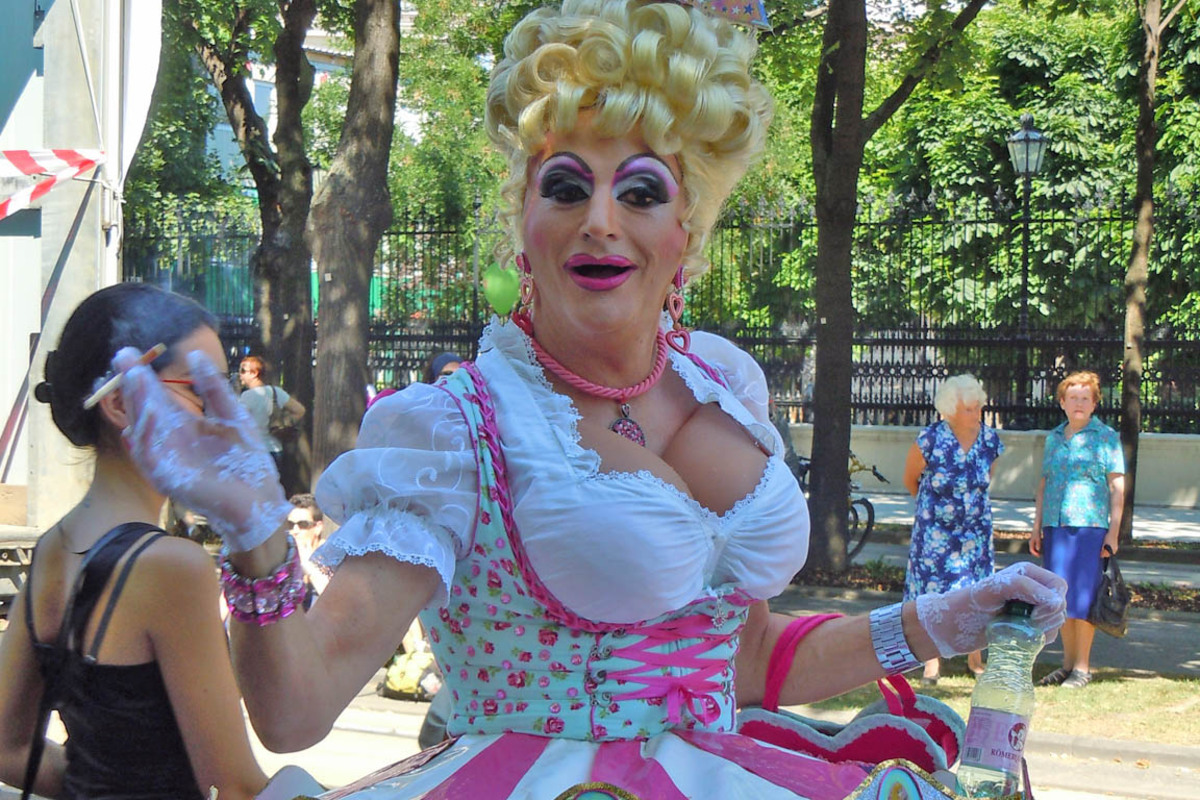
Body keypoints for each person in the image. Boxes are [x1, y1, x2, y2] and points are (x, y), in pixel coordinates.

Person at [110, 2, 1067, 796]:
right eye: (565, 185)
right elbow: (295, 708)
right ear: (523, 223)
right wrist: (254, 532)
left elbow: (744, 658)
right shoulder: (455, 431)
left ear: (685, 231)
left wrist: (934, 623)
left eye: (640, 192)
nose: (600, 218)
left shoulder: (724, 384)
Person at [0, 284, 271, 800]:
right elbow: (233, 786)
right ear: (122, 402)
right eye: (200, 389)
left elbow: (7, 749)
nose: (224, 415)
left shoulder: (53, 547)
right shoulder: (173, 566)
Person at [901, 374, 1004, 685]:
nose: (976, 414)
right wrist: (934, 512)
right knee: (932, 595)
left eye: (978, 408)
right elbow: (910, 479)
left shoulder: (989, 441)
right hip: (935, 534)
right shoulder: (930, 439)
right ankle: (931, 662)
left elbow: (986, 481)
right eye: (969, 409)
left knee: (977, 591)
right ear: (950, 410)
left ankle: (975, 657)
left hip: (975, 532)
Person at [1030, 371, 1125, 689]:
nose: (1079, 403)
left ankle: (1082, 668)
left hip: (1089, 528)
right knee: (1061, 598)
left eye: (1086, 398)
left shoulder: (1106, 437)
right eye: (1073, 398)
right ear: (1062, 402)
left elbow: (1117, 486)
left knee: (1084, 598)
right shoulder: (1054, 438)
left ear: (1095, 403)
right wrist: (1036, 527)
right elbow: (1043, 485)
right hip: (1055, 527)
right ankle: (1066, 665)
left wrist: (1112, 533)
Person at [237, 355, 305, 489]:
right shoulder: (276, 392)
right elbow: (300, 410)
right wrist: (284, 423)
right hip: (276, 450)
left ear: (254, 373)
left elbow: (237, 422)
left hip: (255, 452)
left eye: (243, 371)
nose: (240, 375)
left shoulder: (246, 397)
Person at [288, 493, 329, 605]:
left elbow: (337, 601)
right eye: (290, 525)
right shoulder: (285, 559)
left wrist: (308, 566)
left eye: (303, 525)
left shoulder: (333, 557)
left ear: (318, 527)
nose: (295, 531)